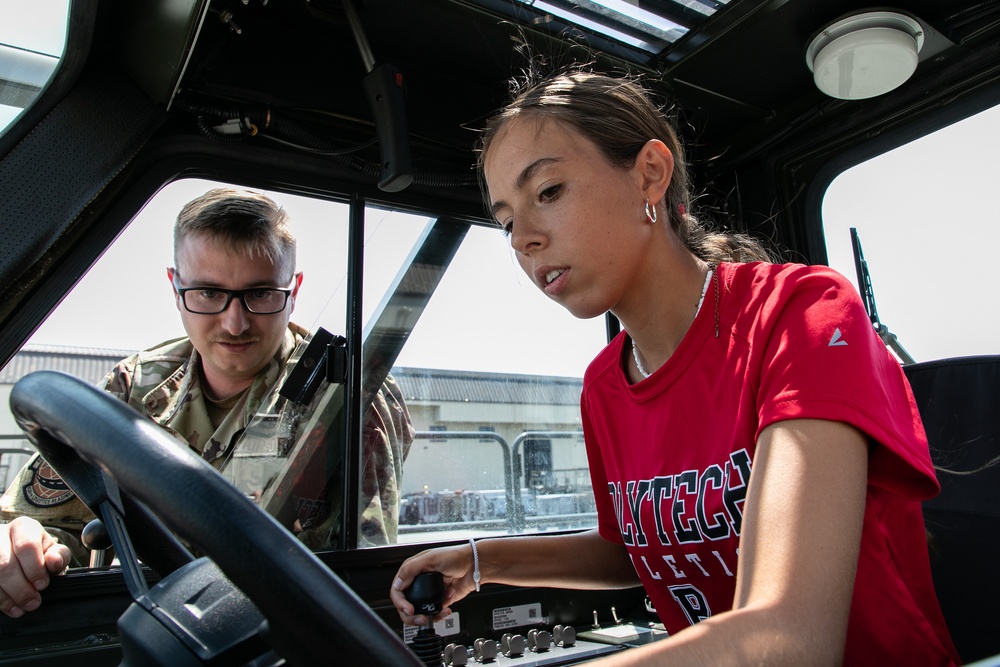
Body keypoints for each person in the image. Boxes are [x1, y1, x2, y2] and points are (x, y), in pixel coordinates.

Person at [389, 71, 959, 665]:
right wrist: (481, 560)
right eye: (507, 221)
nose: (522, 240)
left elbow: (788, 635)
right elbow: (637, 550)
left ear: (650, 174)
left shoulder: (801, 313)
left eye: (549, 191)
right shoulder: (603, 387)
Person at [0, 187, 413, 619]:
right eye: (209, 293)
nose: (235, 323)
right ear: (175, 286)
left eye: (260, 293)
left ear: (294, 290)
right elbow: (43, 522)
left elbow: (363, 581)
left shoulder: (346, 396)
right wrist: (22, 545)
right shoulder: (133, 386)